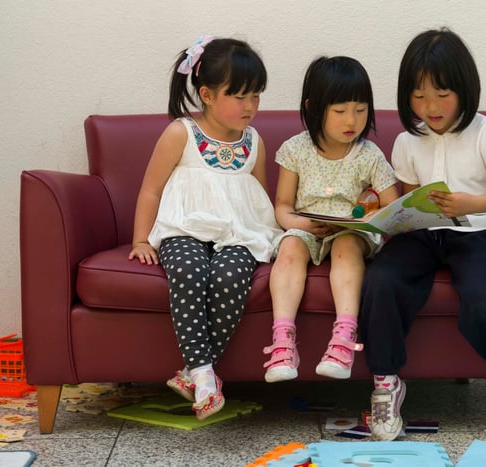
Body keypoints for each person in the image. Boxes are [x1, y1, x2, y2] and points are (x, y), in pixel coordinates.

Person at [360, 28, 486, 441]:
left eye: (442, 94)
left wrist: (468, 204)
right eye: (419, 96)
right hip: (422, 236)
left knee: (482, 298)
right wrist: (384, 215)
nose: (431, 106)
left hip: (474, 233)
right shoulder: (407, 141)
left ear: (463, 88)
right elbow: (407, 199)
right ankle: (386, 382)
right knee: (382, 281)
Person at [128, 34, 282, 420]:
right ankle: (205, 375)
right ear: (207, 95)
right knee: (189, 270)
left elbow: (259, 193)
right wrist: (140, 238)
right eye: (239, 96)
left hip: (239, 231)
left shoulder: (254, 141)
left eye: (256, 96)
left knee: (231, 276)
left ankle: (192, 373)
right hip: (186, 227)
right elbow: (151, 189)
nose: (250, 106)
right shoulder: (182, 133)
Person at [263, 56, 398, 383]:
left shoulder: (369, 155)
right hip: (306, 226)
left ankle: (344, 340)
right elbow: (281, 206)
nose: (352, 120)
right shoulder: (295, 150)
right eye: (340, 111)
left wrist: (366, 217)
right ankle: (282, 342)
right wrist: (300, 224)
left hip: (349, 232)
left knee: (347, 246)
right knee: (291, 247)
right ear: (314, 108)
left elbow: (393, 209)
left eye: (361, 109)